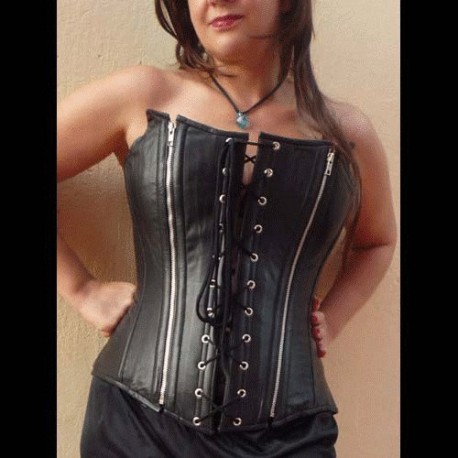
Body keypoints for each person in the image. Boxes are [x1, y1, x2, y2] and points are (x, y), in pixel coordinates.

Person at [57, 0, 397, 456]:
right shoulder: (144, 96)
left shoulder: (345, 134)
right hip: (137, 425)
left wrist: (331, 321)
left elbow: (378, 241)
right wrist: (81, 289)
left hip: (291, 437)